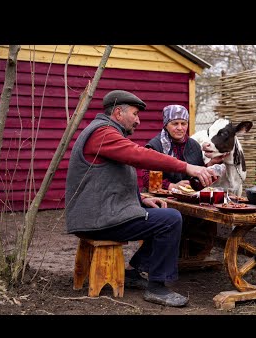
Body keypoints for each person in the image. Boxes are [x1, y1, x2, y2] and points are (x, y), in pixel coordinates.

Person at [65, 90, 217, 307]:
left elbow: (112, 179)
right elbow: (139, 155)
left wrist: (141, 200)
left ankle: (134, 271)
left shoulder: (106, 132)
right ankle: (157, 288)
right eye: (135, 114)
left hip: (101, 214)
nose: (138, 120)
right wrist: (187, 167)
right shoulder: (103, 133)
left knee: (163, 215)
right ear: (118, 113)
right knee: (171, 219)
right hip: (98, 220)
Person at [142, 104, 226, 192]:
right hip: (159, 198)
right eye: (175, 124)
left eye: (183, 123)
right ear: (166, 125)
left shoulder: (194, 145)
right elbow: (146, 178)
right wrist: (172, 186)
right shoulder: (155, 146)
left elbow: (197, 171)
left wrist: (211, 164)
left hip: (186, 197)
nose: (180, 128)